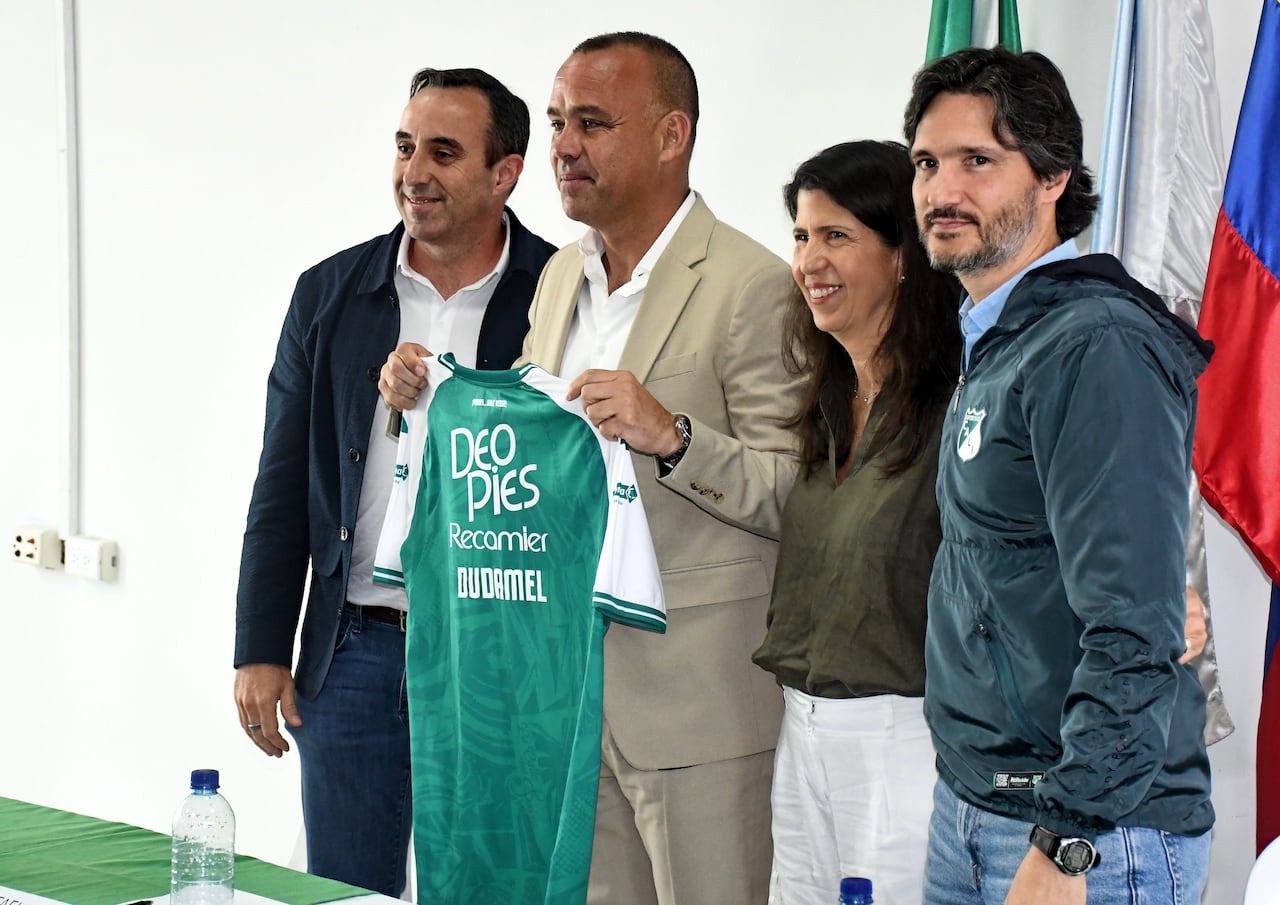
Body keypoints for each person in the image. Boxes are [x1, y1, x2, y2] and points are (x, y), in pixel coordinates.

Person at [380, 31, 802, 905]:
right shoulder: (560, 277)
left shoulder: (751, 283)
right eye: (557, 121)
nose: (563, 146)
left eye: (593, 124)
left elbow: (796, 491)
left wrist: (674, 436)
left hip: (695, 713)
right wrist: (419, 398)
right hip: (560, 700)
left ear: (670, 135)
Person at [232, 67, 555, 896]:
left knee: (493, 884)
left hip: (498, 657)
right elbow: (280, 485)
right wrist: (262, 647)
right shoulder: (330, 293)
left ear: (504, 171)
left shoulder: (562, 294)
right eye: (406, 146)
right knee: (345, 890)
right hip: (354, 652)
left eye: (444, 152)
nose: (415, 172)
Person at [904, 47, 1214, 905]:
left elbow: (1134, 624)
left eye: (978, 161)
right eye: (928, 163)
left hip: (1089, 836)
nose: (942, 190)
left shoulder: (1094, 344)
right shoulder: (999, 336)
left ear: (1052, 178)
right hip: (976, 808)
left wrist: (1069, 834)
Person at [751, 140, 961, 905]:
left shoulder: (956, 407)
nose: (810, 260)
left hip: (901, 741)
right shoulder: (823, 404)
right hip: (800, 730)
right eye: (802, 236)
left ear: (904, 254)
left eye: (836, 235)